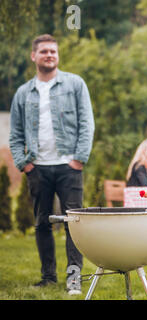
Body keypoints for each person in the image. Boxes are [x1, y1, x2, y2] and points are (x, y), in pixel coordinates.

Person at [9, 34, 95, 295]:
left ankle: (73, 281)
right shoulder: (23, 93)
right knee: (42, 223)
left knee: (73, 223)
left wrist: (79, 159)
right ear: (34, 56)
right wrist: (24, 164)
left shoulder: (75, 84)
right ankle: (48, 278)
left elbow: (86, 124)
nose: (49, 55)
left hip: (69, 166)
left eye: (53, 52)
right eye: (44, 51)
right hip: (38, 168)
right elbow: (15, 135)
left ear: (58, 56)